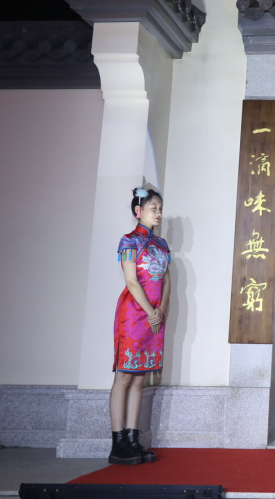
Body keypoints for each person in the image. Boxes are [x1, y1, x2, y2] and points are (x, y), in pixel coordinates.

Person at [109, 187, 170, 465]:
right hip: (133, 316)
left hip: (154, 316)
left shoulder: (162, 245)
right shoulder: (129, 241)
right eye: (153, 208)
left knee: (139, 378)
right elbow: (131, 281)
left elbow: (166, 280)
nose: (158, 213)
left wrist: (161, 309)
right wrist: (150, 312)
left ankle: (133, 440)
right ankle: (117, 443)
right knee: (124, 376)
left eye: (160, 209)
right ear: (139, 211)